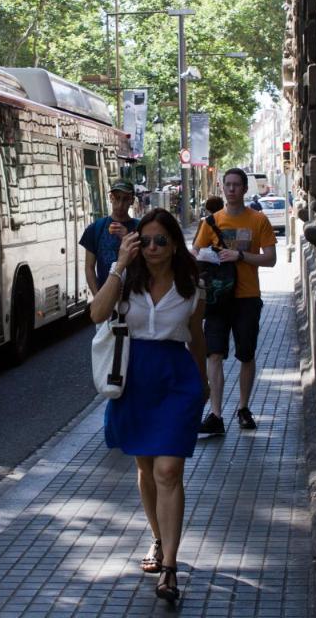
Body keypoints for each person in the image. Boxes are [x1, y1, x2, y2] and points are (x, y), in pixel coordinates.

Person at [89, 208, 207, 607]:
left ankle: (170, 565)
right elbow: (96, 314)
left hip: (176, 380)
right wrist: (120, 264)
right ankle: (157, 539)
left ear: (175, 245)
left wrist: (205, 383)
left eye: (161, 240)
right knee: (145, 468)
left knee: (168, 469)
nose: (154, 247)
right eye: (147, 240)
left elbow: (196, 337)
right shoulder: (127, 281)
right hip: (134, 380)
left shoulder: (191, 286)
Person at [193, 168, 277, 434]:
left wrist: (241, 257)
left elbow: (271, 258)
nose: (231, 189)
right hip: (218, 298)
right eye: (227, 185)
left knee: (246, 354)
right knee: (214, 354)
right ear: (222, 187)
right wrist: (208, 260)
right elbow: (196, 255)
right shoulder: (210, 222)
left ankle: (243, 408)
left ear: (244, 188)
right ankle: (216, 415)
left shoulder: (258, 220)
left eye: (236, 185)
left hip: (247, 297)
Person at [79, 180, 138, 296]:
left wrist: (127, 238)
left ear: (132, 200)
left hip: (135, 298)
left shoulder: (141, 227)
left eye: (125, 199)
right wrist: (98, 297)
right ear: (111, 198)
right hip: (106, 297)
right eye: (117, 198)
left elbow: (147, 264)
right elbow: (89, 267)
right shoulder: (95, 228)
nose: (120, 204)